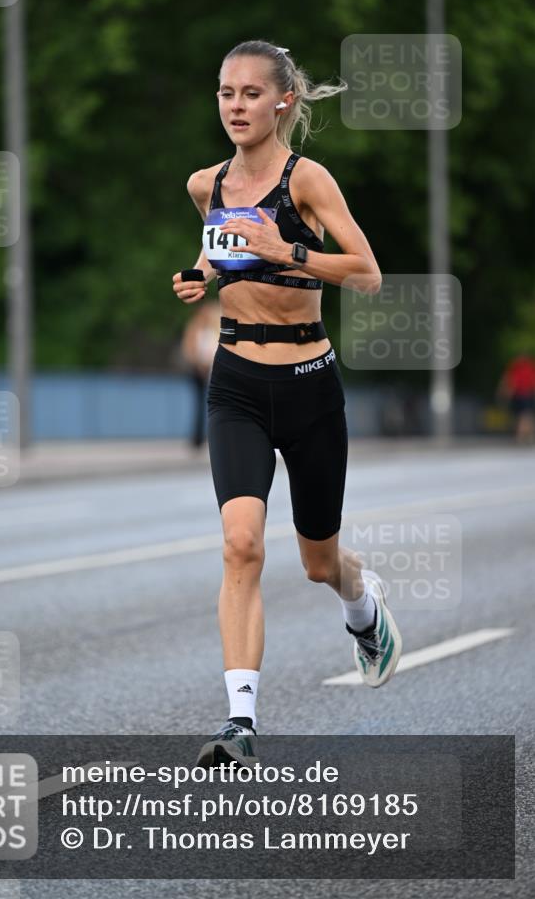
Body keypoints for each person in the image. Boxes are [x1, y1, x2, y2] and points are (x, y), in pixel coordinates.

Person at [172, 40, 402, 767]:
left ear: (282, 102)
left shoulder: (308, 181)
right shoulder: (204, 184)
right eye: (224, 92)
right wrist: (202, 274)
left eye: (248, 94)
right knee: (240, 545)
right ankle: (240, 720)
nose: (234, 106)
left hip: (309, 386)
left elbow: (366, 275)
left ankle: (361, 605)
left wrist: (286, 253)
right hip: (236, 383)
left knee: (317, 562)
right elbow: (220, 249)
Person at [180, 299, 222, 448]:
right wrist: (197, 364)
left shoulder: (214, 328)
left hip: (212, 369)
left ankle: (213, 435)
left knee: (215, 403)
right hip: (198, 370)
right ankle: (197, 438)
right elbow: (188, 348)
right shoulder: (194, 328)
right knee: (199, 404)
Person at [497, 352, 535, 444]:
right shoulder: (525, 367)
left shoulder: (516, 367)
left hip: (522, 394)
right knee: (525, 415)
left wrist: (505, 393)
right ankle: (524, 435)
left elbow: (509, 381)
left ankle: (523, 435)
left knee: (523, 415)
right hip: (525, 394)